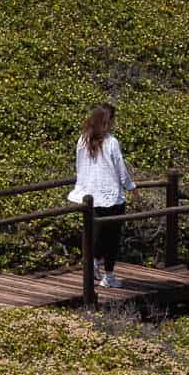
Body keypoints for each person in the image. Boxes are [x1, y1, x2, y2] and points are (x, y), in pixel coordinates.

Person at [68, 103, 135, 288]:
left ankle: (93, 266)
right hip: (111, 196)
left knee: (96, 234)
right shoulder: (111, 142)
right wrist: (131, 187)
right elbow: (121, 170)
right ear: (108, 120)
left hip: (90, 195)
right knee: (112, 237)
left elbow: (79, 166)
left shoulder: (83, 140)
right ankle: (109, 276)